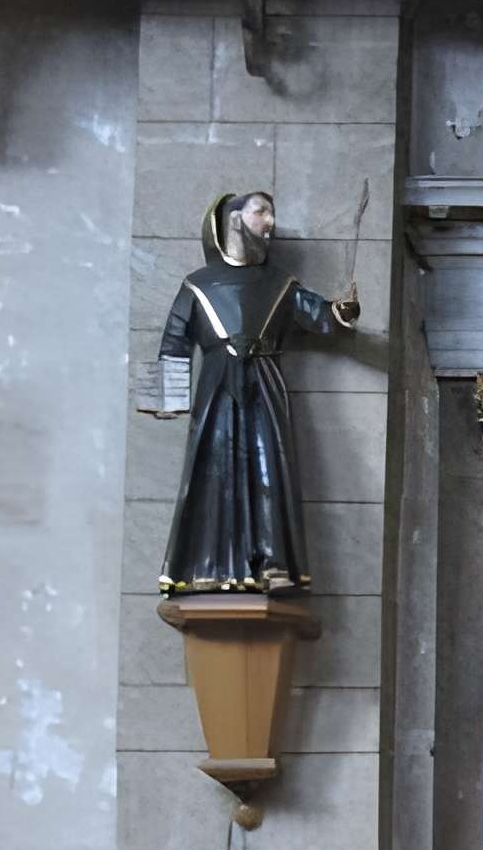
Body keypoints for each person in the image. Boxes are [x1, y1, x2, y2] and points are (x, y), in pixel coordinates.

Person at [154, 190, 361, 595]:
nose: (270, 222)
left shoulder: (279, 283)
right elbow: (174, 341)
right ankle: (208, 566)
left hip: (264, 384)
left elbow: (317, 311)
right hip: (217, 388)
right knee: (215, 472)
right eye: (261, 212)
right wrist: (168, 397)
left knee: (270, 468)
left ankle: (274, 564)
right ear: (233, 219)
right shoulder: (197, 285)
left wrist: (342, 312)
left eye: (271, 214)